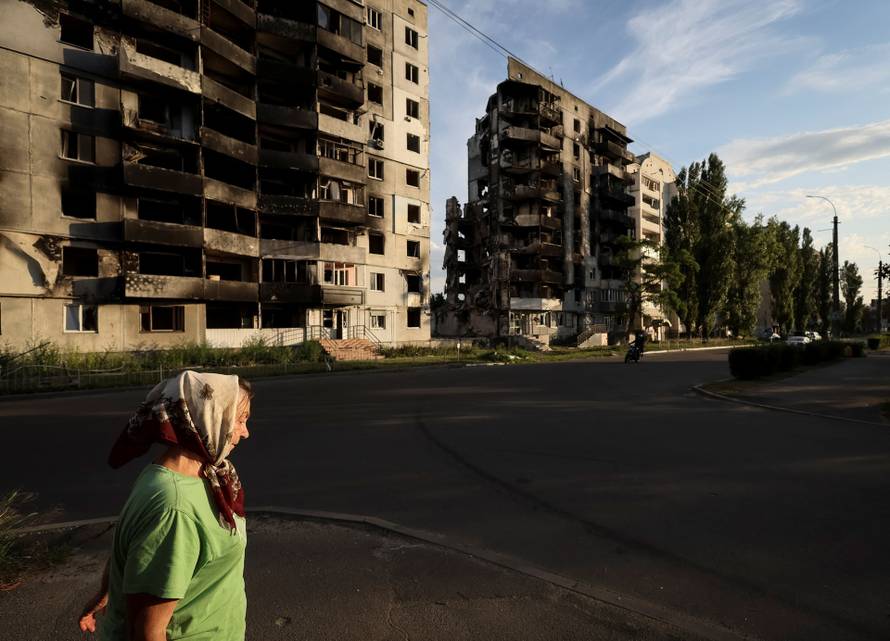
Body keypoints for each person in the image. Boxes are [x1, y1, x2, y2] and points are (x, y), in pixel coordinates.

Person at [78, 371, 253, 641]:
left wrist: (107, 591)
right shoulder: (175, 509)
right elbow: (149, 632)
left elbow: (136, 552)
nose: (245, 433)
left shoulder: (202, 473)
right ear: (207, 420)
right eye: (239, 421)